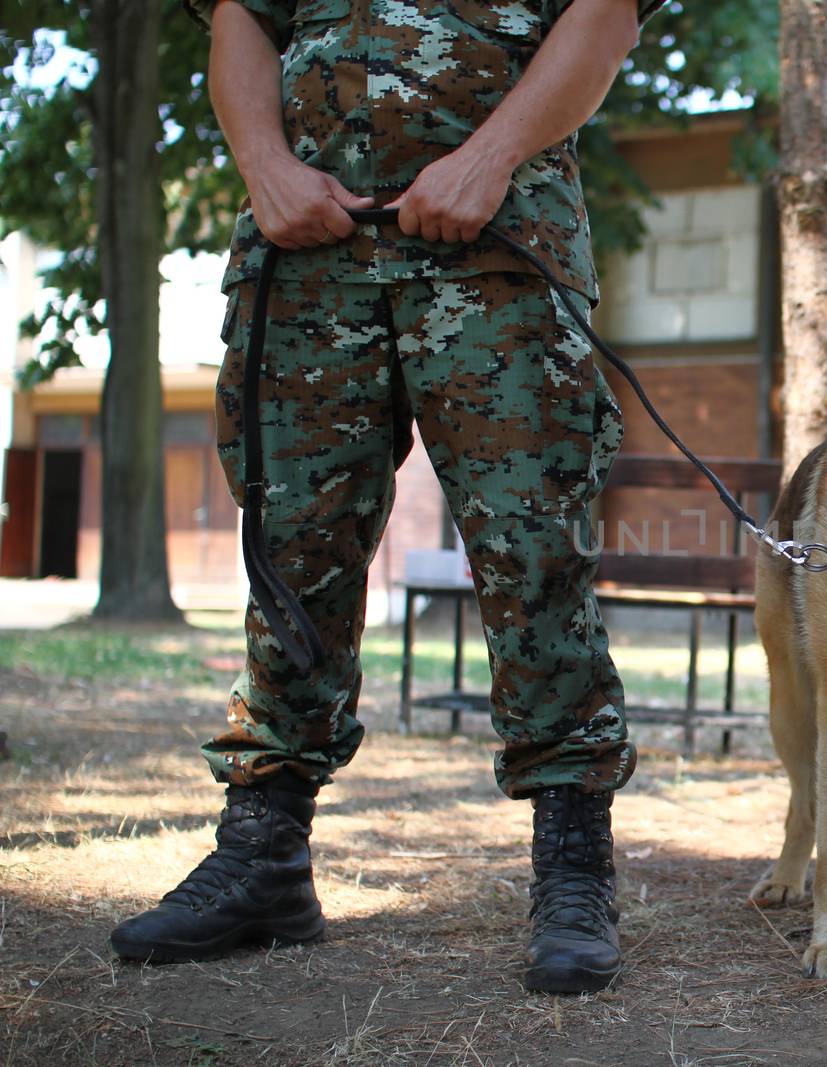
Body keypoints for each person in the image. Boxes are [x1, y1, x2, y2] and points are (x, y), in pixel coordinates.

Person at [109, 0, 663, 995]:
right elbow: (242, 16)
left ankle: (573, 862)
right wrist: (266, 169)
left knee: (534, 553)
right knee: (294, 553)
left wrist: (490, 158)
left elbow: (605, 15)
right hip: (309, 253)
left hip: (501, 249)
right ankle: (265, 850)